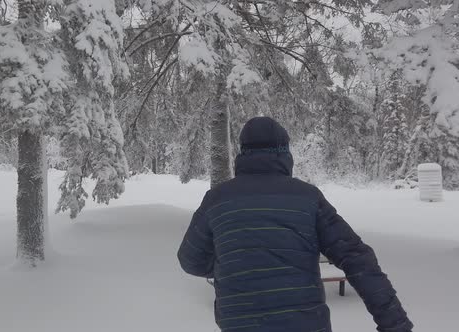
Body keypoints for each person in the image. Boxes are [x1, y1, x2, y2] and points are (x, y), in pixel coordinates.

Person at [177, 117, 413, 332]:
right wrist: (395, 324)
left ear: (242, 153)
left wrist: (230, 263)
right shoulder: (307, 198)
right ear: (284, 153)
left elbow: (190, 260)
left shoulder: (217, 200)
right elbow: (356, 257)